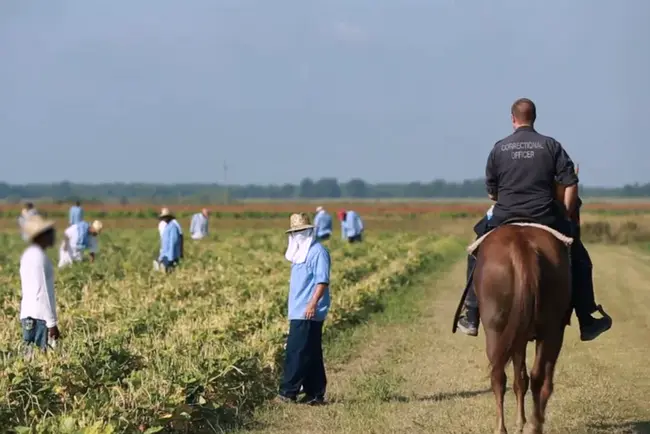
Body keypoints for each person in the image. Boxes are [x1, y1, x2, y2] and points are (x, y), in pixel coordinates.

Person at [456, 98, 611, 342]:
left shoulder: (499, 148)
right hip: (545, 216)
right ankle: (586, 318)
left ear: (512, 118)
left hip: (504, 215)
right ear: (534, 117)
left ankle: (472, 313)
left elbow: (491, 193)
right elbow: (570, 183)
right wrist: (566, 214)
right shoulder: (551, 145)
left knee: (475, 251)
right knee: (579, 257)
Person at [275, 213, 331, 405]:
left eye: (301, 231)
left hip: (308, 310)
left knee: (296, 351)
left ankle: (287, 392)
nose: (298, 235)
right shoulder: (299, 254)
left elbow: (322, 280)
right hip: (299, 309)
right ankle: (315, 393)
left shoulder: (317, 252)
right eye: (295, 232)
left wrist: (312, 303)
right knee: (311, 352)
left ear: (308, 231)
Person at [19, 215, 60, 356]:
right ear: (41, 236)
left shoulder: (31, 254)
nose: (53, 235)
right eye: (49, 232)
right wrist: (51, 323)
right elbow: (41, 291)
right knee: (39, 359)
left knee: (30, 358)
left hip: (31, 314)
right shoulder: (38, 257)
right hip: (39, 317)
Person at [154, 208, 182, 272]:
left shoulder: (173, 227)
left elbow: (173, 242)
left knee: (168, 271)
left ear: (169, 217)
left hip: (170, 255)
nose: (164, 219)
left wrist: (171, 257)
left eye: (165, 217)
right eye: (163, 217)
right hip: (165, 254)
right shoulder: (167, 226)